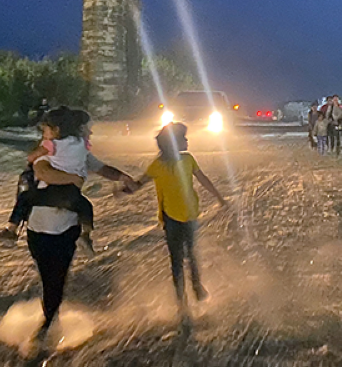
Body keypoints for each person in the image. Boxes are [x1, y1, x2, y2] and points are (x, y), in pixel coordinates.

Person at [22, 113, 138, 341]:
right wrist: (74, 179)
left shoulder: (80, 154)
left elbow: (103, 168)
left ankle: (47, 326)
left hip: (67, 227)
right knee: (50, 278)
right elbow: (43, 172)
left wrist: (123, 177)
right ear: (76, 129)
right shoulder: (50, 152)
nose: (91, 132)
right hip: (40, 227)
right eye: (88, 128)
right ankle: (49, 320)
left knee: (57, 277)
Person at [122, 122, 227, 319]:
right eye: (183, 138)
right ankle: (182, 299)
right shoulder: (159, 165)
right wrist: (124, 190)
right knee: (179, 258)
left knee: (189, 254)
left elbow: (203, 179)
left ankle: (195, 286)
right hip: (171, 217)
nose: (187, 141)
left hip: (189, 214)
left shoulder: (187, 160)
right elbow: (139, 184)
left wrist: (219, 198)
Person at [0, 107, 95, 254]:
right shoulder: (82, 143)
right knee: (85, 206)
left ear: (56, 130)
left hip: (52, 188)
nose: (44, 134)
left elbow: (31, 158)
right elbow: (86, 154)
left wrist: (38, 154)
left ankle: (11, 230)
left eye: (46, 130)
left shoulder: (51, 144)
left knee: (25, 197)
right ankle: (86, 234)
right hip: (72, 190)